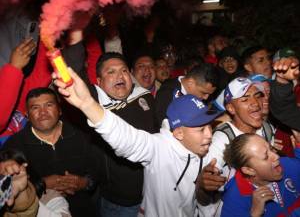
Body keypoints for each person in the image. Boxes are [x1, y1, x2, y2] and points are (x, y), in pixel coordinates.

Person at [53, 67, 221, 217]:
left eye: (209, 126)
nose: (209, 135)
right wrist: (88, 104)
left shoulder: (211, 151)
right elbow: (126, 138)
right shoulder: (159, 148)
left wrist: (203, 190)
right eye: (200, 129)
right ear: (178, 133)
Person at [2, 87, 99, 217]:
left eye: (49, 105)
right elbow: (7, 189)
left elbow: (100, 171)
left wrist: (84, 182)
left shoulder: (83, 134)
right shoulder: (14, 145)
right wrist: (43, 184)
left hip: (85, 209)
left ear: (59, 110)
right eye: (35, 108)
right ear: (27, 115)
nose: (43, 112)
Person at [197, 77, 277, 217]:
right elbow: (204, 194)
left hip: (259, 203)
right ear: (231, 108)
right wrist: (203, 186)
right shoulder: (221, 140)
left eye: (257, 96)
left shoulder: (267, 128)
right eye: (245, 99)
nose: (255, 103)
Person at [93, 52, 157, 217]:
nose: (119, 76)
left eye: (123, 71)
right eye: (111, 72)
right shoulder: (95, 109)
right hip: (121, 203)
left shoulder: (145, 97)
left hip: (155, 193)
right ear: (99, 82)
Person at [221, 133, 300, 217]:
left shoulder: (285, 164)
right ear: (249, 170)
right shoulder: (234, 198)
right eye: (266, 157)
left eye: (271, 149)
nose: (276, 156)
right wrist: (255, 214)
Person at [155, 63, 218, 127]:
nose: (206, 98)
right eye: (204, 93)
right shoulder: (167, 95)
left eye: (209, 94)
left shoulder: (193, 95)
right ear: (190, 83)